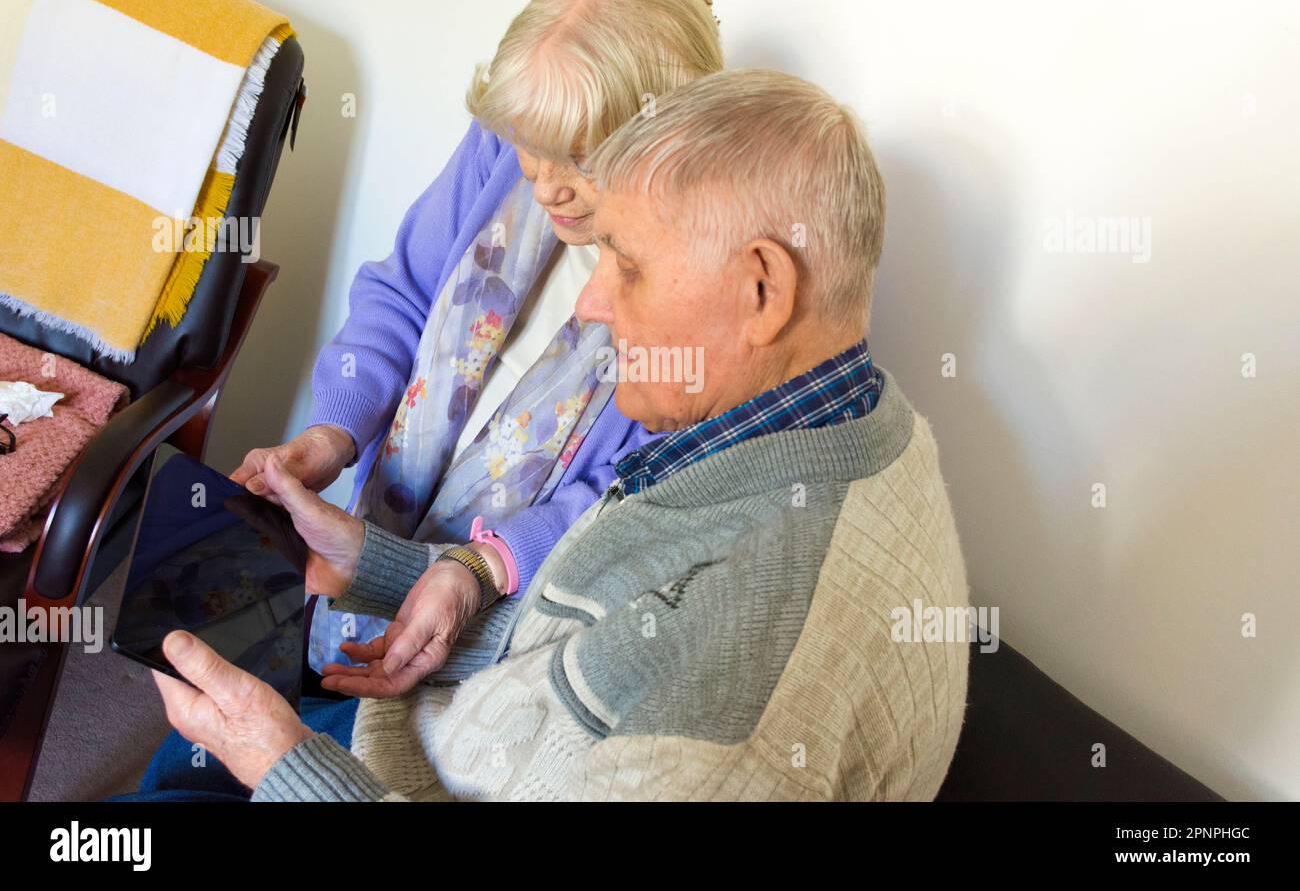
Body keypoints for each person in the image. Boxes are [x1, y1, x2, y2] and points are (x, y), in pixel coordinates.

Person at [140, 68, 971, 801]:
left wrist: (284, 765)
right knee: (195, 731)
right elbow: (608, 635)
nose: (591, 303)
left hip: (405, 770)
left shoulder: (735, 716)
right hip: (440, 726)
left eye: (630, 266)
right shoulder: (831, 413)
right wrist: (382, 568)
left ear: (762, 289)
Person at [229, 0, 724, 682]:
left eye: (579, 159)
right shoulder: (504, 148)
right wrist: (330, 433)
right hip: (364, 545)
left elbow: (642, 495)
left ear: (664, 141)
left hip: (503, 628)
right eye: (532, 147)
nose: (546, 186)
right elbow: (400, 294)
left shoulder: (704, 271)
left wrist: (486, 564)